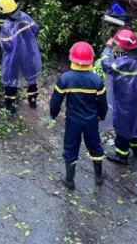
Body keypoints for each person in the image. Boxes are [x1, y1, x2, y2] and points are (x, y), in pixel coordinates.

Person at [50, 42, 108, 191]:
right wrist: (102, 115)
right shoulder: (96, 80)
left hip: (73, 121)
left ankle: (69, 181)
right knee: (95, 146)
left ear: (72, 59)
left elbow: (56, 100)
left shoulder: (66, 78)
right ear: (91, 60)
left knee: (70, 147)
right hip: (91, 121)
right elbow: (102, 103)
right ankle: (99, 177)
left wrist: (53, 114)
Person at [100, 29, 137, 165]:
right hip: (136, 97)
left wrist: (107, 50)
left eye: (119, 44)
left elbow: (107, 67)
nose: (117, 46)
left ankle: (122, 155)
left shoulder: (123, 62)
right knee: (134, 123)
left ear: (125, 46)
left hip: (124, 100)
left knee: (121, 127)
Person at [0, 0, 42, 113]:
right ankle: (32, 100)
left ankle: (9, 105)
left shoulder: (6, 26)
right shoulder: (24, 16)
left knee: (11, 78)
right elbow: (36, 29)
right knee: (31, 76)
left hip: (14, 58)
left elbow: (6, 46)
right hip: (29, 52)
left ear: (3, 12)